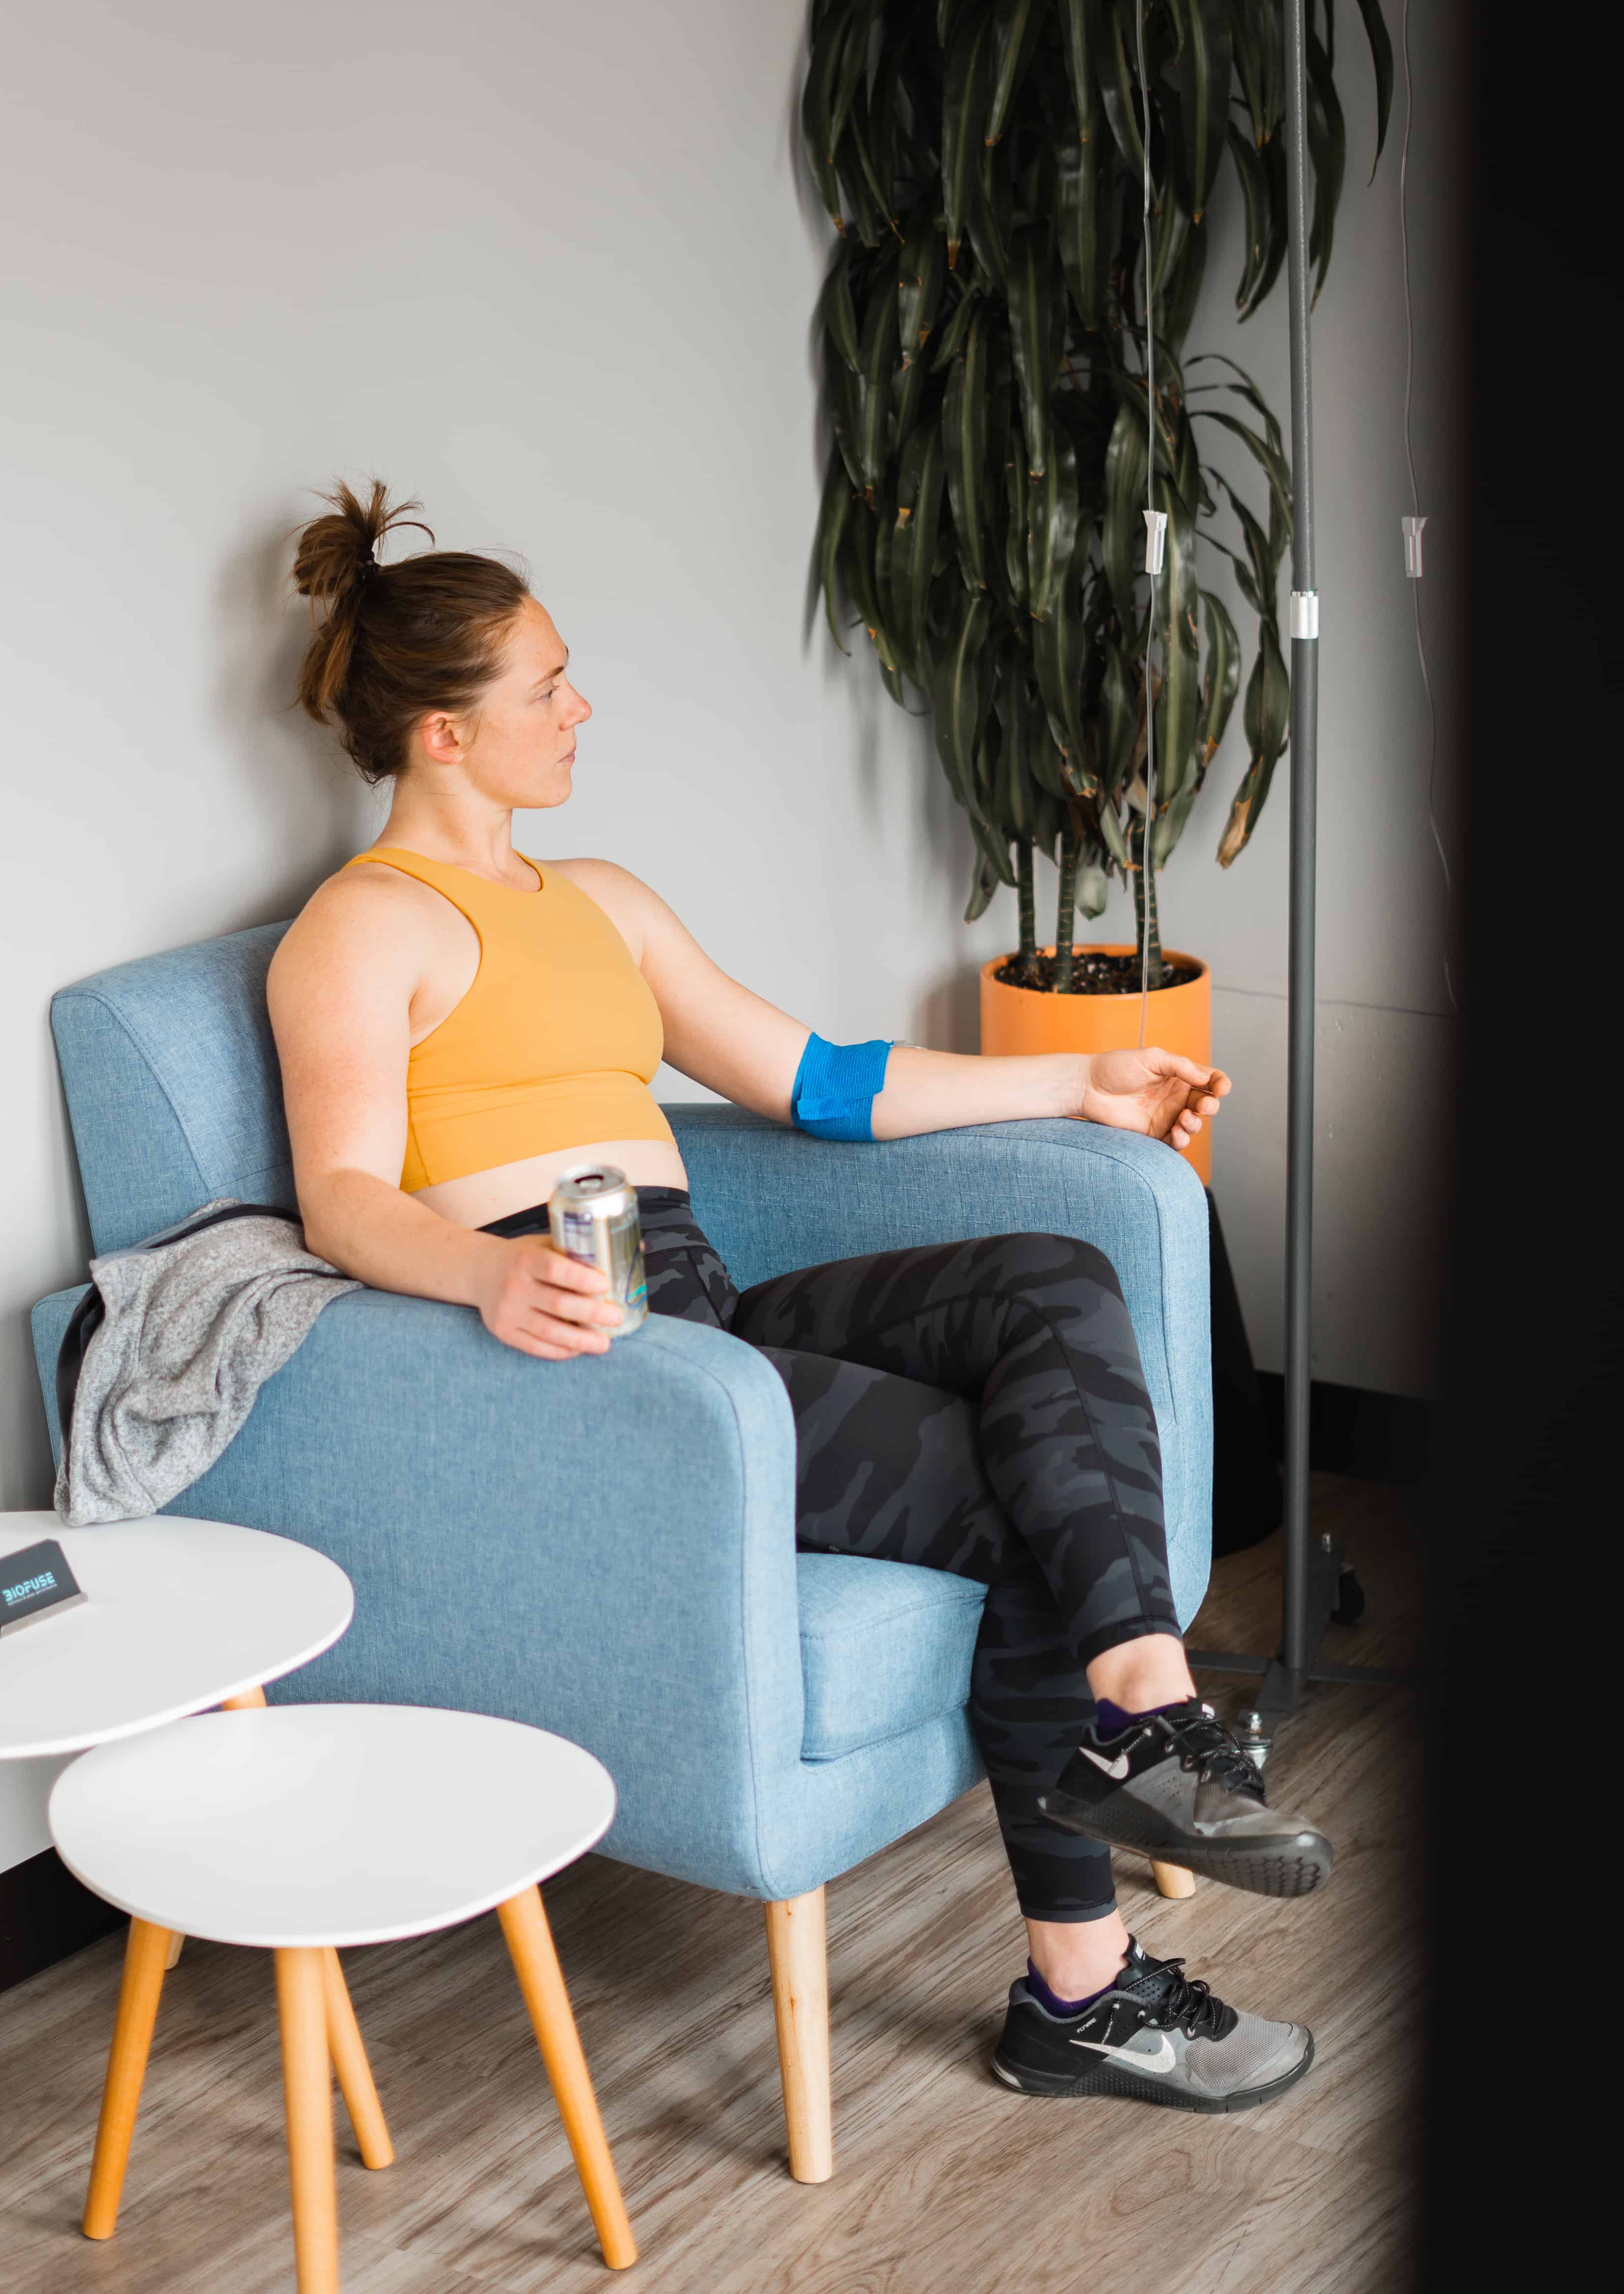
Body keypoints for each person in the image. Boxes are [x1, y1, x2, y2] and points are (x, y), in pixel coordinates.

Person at [268, 481, 1333, 2115]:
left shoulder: (602, 902)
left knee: (1055, 1273)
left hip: (703, 1295)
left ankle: (1143, 1712)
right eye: (545, 687)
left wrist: (1076, 1088)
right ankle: (1087, 1986)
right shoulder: (359, 931)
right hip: (596, 1358)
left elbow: (824, 1083)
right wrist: (487, 1270)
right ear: (443, 737)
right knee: (1028, 1487)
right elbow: (339, 1195)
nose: (581, 707)